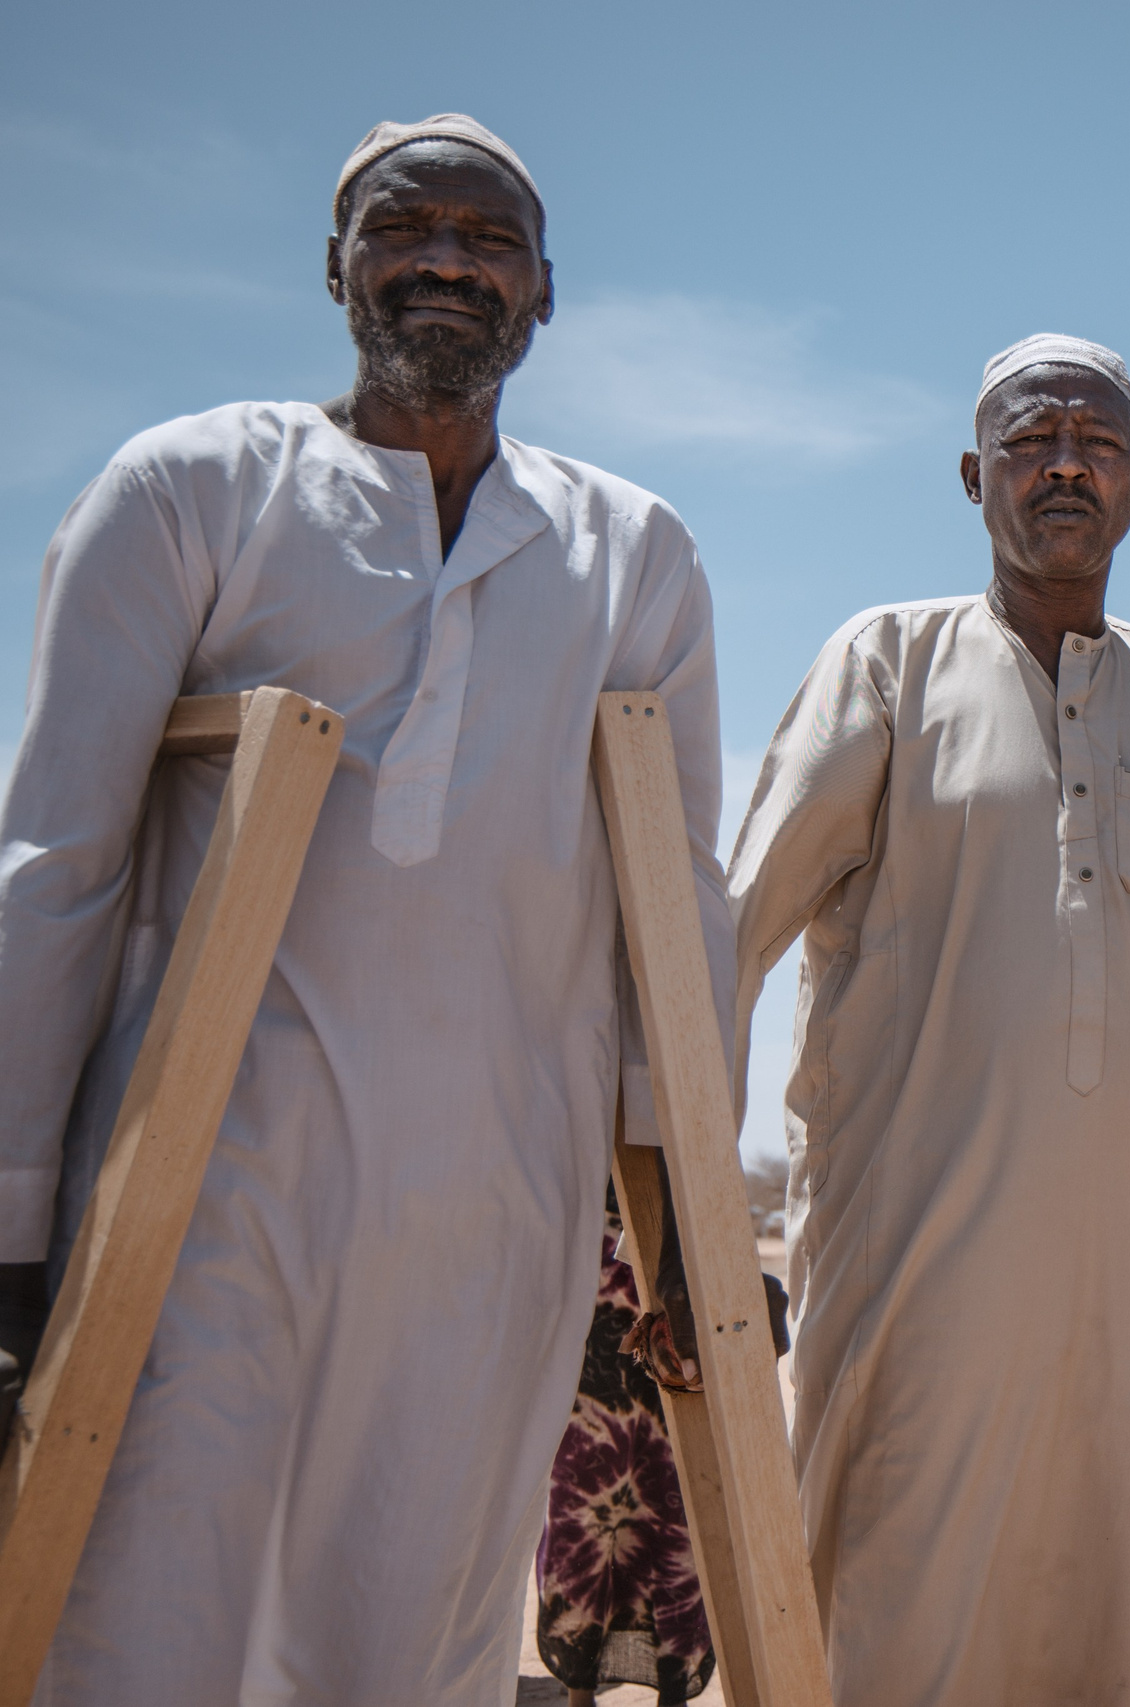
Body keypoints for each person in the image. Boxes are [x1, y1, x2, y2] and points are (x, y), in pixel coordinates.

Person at [0, 116, 731, 1704]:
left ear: (545, 297)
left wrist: (696, 1229)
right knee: (133, 1618)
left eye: (493, 239)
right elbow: (55, 867)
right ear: (335, 263)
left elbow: (676, 912)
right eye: (410, 225)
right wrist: (7, 1216)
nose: (451, 259)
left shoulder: (635, 556)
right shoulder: (191, 492)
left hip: (496, 1218)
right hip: (204, 1207)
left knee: (409, 1646)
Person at [719, 334, 1130, 1705]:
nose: (1064, 463)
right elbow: (732, 932)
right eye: (1033, 439)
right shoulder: (886, 664)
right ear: (973, 472)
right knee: (893, 1608)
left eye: (1095, 442)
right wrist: (677, 1223)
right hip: (919, 1260)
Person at [535, 1191, 718, 1705]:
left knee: (675, 1512)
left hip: (674, 1262)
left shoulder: (686, 1172)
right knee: (581, 1516)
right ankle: (579, 1692)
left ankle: (672, 1690)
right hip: (589, 1345)